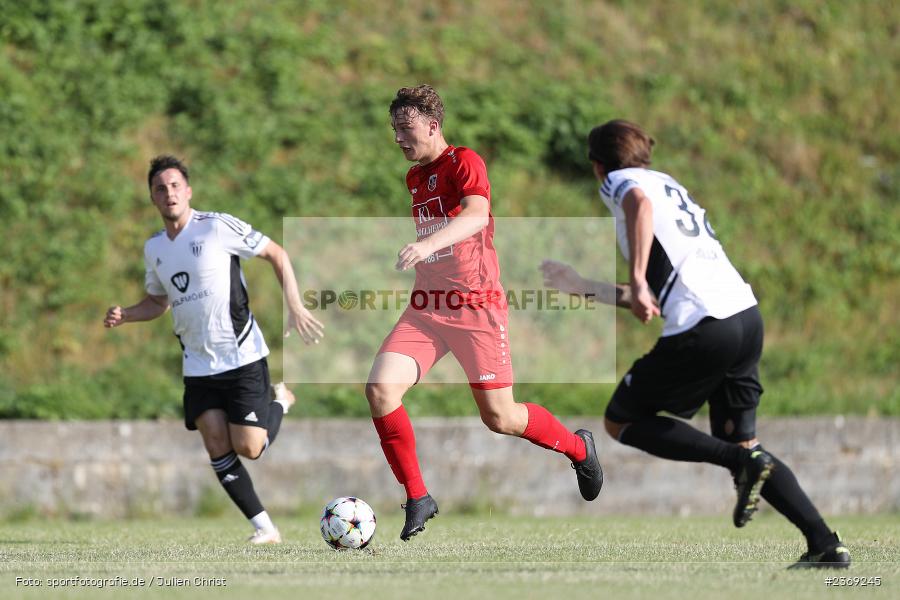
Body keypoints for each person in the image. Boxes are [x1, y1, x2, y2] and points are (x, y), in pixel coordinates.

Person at [540, 119, 850, 569]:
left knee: (619, 420)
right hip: (744, 317)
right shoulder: (670, 185)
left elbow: (638, 208)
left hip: (707, 324)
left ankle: (742, 466)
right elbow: (662, 293)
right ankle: (825, 544)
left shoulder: (622, 182)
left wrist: (638, 279)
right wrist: (584, 285)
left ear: (596, 166)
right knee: (748, 449)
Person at [366, 85, 604, 542]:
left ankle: (579, 448)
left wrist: (426, 245)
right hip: (429, 308)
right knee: (380, 389)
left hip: (477, 309)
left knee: (500, 418)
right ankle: (418, 496)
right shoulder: (415, 177)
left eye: (406, 127)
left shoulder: (464, 161)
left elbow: (476, 215)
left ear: (433, 125)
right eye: (394, 128)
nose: (398, 137)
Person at [105, 155, 324, 544]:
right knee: (215, 441)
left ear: (188, 191)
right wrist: (127, 315)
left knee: (250, 448)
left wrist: (294, 304)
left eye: (175, 186)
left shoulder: (216, 226)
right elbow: (158, 302)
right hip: (197, 362)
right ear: (152, 198)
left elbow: (277, 253)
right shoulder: (154, 248)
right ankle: (265, 529)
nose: (169, 193)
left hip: (241, 354)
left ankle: (281, 402)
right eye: (160, 188)